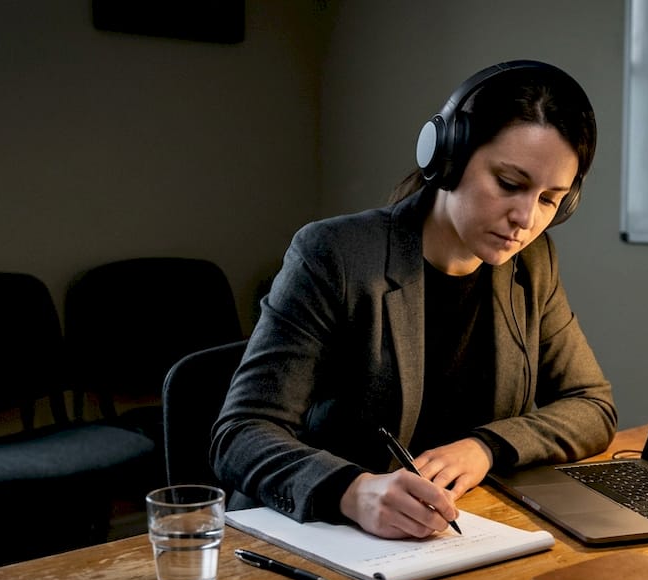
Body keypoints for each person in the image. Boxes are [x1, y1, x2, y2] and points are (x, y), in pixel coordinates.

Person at [211, 59, 616, 539]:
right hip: (323, 535)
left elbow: (592, 405)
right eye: (510, 184)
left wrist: (485, 447)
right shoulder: (334, 254)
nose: (526, 219)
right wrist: (352, 490)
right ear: (449, 157)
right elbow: (240, 433)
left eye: (550, 199)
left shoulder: (533, 263)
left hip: (450, 533)